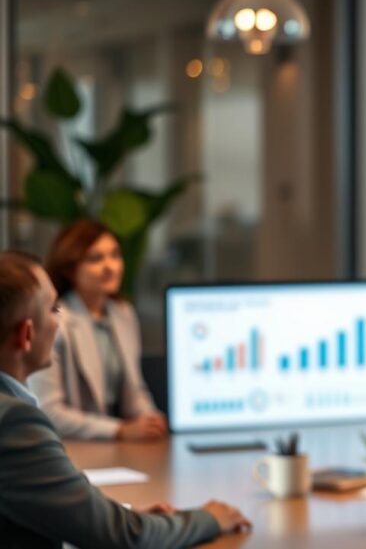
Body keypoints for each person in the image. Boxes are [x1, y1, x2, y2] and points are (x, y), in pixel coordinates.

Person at [0, 251, 250, 548]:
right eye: (54, 309)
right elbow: (125, 538)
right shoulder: (15, 423)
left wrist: (115, 516)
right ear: (26, 335)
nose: (61, 320)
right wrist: (207, 518)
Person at [27, 221, 167, 441]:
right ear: (70, 269)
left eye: (115, 255)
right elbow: (49, 411)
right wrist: (120, 430)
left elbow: (134, 388)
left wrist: (150, 420)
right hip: (74, 445)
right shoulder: (55, 322)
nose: (110, 266)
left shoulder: (123, 314)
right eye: (96, 259)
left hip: (119, 446)